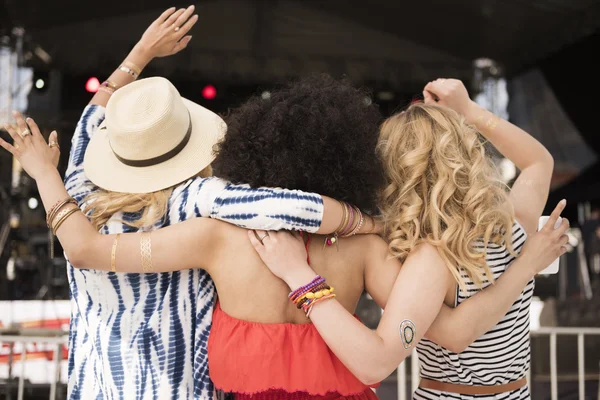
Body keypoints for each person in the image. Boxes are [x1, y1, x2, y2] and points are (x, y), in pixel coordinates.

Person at [2, 75, 566, 400]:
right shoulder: (372, 245)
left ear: (255, 154)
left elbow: (85, 250)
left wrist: (45, 172)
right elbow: (441, 332)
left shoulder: (215, 235)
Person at [0, 8, 375, 400]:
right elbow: (291, 207)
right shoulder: (195, 201)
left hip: (98, 383)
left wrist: (44, 173)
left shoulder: (76, 190)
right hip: (174, 386)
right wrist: (364, 222)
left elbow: (92, 117)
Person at [248, 79, 569, 399]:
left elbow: (375, 363)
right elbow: (539, 161)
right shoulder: (512, 227)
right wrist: (468, 110)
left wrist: (299, 276)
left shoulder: (431, 258)